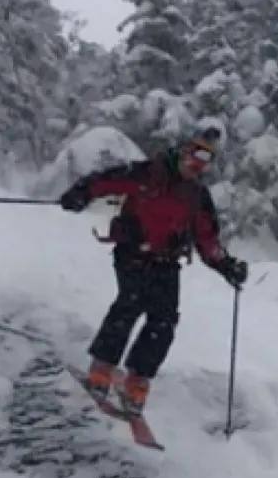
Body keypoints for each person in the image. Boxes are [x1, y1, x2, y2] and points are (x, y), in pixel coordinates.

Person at [59, 124, 248, 415]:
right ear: (183, 150)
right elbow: (105, 182)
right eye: (195, 155)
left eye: (206, 161)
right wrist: (81, 194)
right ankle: (102, 369)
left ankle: (138, 380)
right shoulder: (147, 173)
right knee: (130, 303)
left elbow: (207, 240)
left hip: (166, 260)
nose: (197, 166)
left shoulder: (197, 196)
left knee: (164, 319)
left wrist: (226, 265)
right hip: (132, 252)